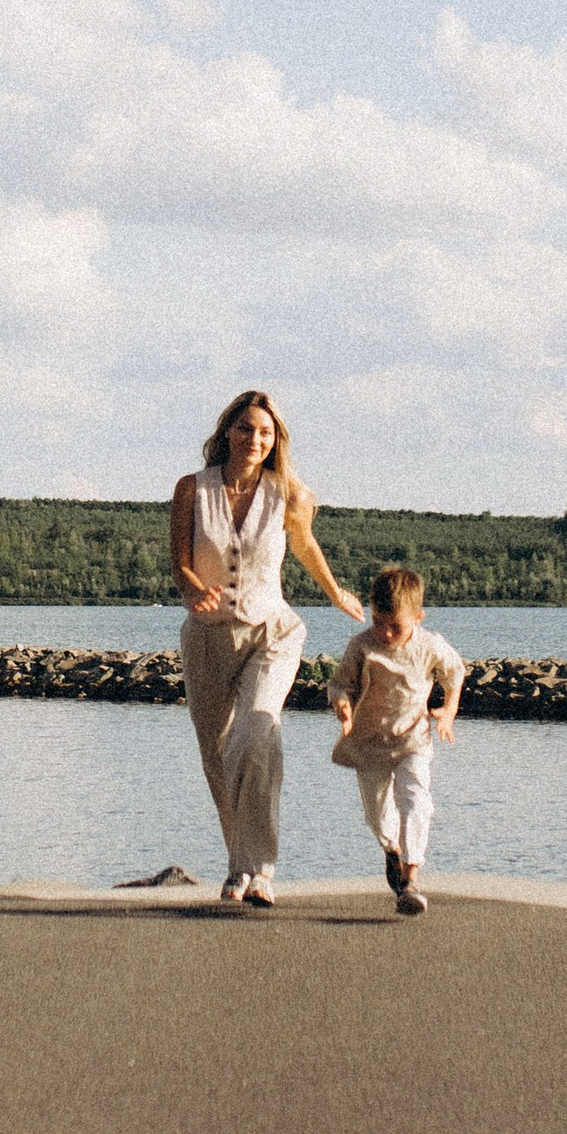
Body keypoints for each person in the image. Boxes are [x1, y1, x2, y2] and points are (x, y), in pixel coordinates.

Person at [171, 389, 363, 909]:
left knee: (256, 734)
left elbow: (304, 545)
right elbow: (181, 563)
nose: (255, 439)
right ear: (227, 432)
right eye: (246, 428)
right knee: (217, 754)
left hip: (271, 632)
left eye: (266, 432)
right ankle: (241, 868)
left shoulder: (287, 494)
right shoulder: (192, 488)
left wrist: (335, 592)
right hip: (207, 637)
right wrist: (194, 591)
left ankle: (262, 870)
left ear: (275, 440)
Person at [328, 563, 465, 917]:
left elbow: (455, 672)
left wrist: (448, 711)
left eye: (396, 627)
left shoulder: (429, 646)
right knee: (377, 815)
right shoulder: (362, 647)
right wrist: (343, 704)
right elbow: (341, 683)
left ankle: (411, 879)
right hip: (370, 741)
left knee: (415, 799)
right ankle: (392, 850)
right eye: (378, 622)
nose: (386, 634)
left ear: (418, 617)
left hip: (412, 739)